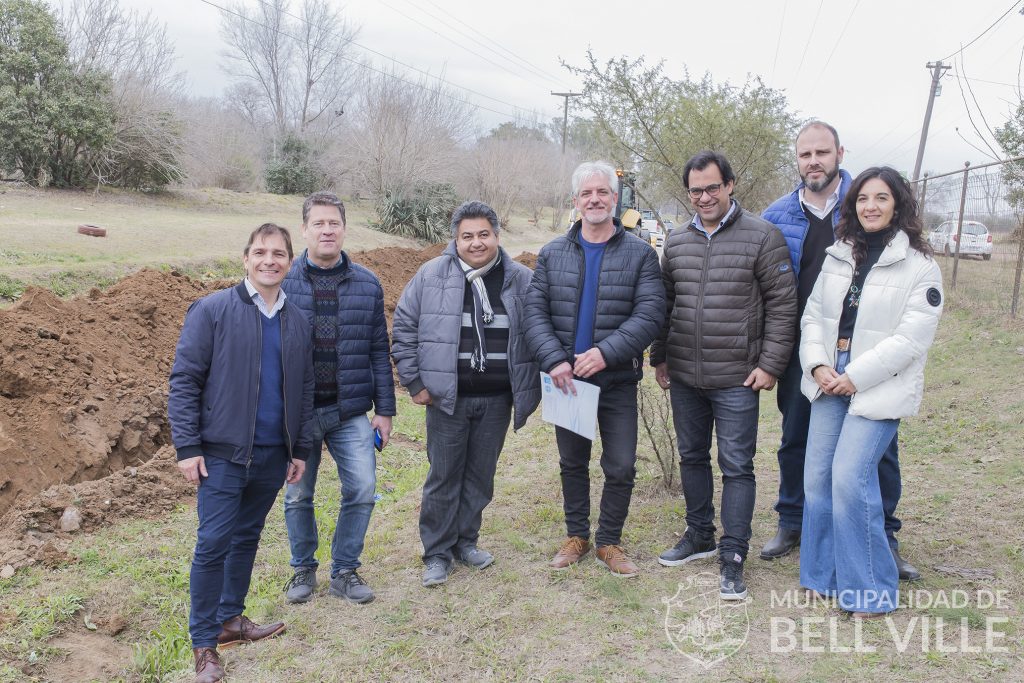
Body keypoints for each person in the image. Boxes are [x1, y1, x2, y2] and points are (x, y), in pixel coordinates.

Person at [761, 122, 919, 581]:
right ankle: (793, 521)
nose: (814, 161)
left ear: (839, 153)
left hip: (865, 348)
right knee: (797, 437)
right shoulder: (776, 215)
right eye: (805, 153)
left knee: (875, 450)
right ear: (797, 159)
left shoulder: (864, 203)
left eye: (822, 152)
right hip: (804, 348)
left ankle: (884, 533)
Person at [168, 224, 315, 683]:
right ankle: (205, 645)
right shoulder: (212, 310)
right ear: (246, 258)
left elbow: (305, 389)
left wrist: (301, 449)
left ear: (290, 262)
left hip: (273, 455)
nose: (269, 260)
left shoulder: (298, 320)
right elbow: (185, 380)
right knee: (212, 544)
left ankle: (232, 620)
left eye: (278, 254)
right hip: (222, 455)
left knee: (247, 536)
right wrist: (188, 447)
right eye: (260, 252)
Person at [650, 151, 796, 600]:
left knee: (736, 466)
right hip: (686, 376)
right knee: (692, 457)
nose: (705, 197)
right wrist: (660, 356)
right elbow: (664, 305)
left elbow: (783, 305)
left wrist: (770, 364)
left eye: (713, 187)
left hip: (737, 377)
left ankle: (733, 554)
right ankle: (699, 534)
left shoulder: (762, 236)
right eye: (696, 190)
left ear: (730, 185)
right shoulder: (675, 242)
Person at [799, 166, 942, 616]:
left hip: (875, 384)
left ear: (898, 204)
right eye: (863, 199)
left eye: (881, 198)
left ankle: (869, 591)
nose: (871, 207)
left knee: (849, 478)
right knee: (817, 478)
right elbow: (812, 316)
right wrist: (819, 364)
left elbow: (911, 339)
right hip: (829, 374)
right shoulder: (838, 253)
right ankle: (821, 575)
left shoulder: (920, 266)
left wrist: (855, 375)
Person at [524, 160, 664, 578]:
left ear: (615, 199)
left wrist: (605, 352)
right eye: (587, 193)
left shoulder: (640, 254)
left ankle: (609, 541)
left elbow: (651, 314)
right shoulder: (552, 254)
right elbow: (534, 313)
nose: (595, 199)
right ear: (576, 201)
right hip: (566, 381)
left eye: (602, 192)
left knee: (620, 464)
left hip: (616, 380)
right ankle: (577, 536)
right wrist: (553, 360)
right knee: (573, 462)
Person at [391, 201, 540, 587]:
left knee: (480, 475)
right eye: (467, 236)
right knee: (443, 475)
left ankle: (466, 541)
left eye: (483, 235)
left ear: (497, 236)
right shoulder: (431, 276)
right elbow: (404, 329)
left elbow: (540, 331)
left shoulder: (520, 279)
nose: (476, 243)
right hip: (446, 398)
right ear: (455, 240)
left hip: (496, 399)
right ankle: (437, 553)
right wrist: (415, 383)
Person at [281, 191, 396, 605]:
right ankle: (302, 571)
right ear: (305, 229)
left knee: (363, 490)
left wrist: (385, 410)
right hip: (299, 416)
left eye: (334, 223)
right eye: (319, 223)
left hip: (349, 412)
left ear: (344, 228)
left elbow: (378, 351)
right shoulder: (283, 283)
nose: (327, 230)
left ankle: (345, 569)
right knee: (298, 495)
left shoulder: (367, 284)